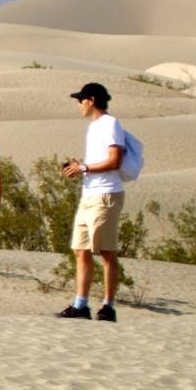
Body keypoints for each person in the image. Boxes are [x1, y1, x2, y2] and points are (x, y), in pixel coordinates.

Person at [59, 82, 125, 322]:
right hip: (89, 194)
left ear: (92, 100)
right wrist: (79, 167)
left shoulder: (110, 124)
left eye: (81, 100)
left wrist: (84, 168)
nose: (79, 105)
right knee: (80, 249)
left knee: (106, 251)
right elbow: (99, 160)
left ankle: (108, 306)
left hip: (105, 194)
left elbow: (115, 160)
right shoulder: (94, 127)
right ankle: (81, 304)